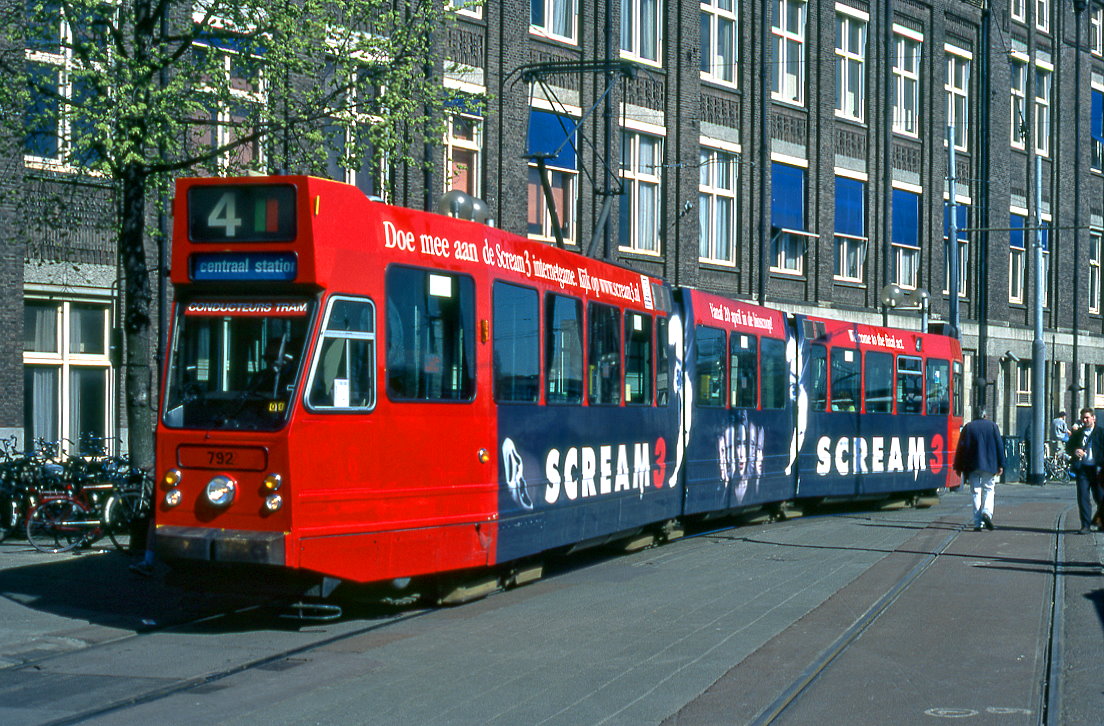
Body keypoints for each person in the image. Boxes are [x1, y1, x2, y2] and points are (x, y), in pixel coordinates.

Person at [953, 407, 1005, 531]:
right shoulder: (993, 426)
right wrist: (1001, 464)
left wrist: (958, 466)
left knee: (976, 492)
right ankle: (986, 512)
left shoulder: (968, 427)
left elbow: (961, 448)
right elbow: (999, 446)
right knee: (989, 489)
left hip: (973, 466)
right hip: (990, 465)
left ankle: (977, 523)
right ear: (985, 415)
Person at [1066, 407, 1104, 534]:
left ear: (1094, 418)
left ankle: (1101, 523)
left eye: (1087, 417)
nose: (1085, 420)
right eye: (1083, 418)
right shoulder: (1078, 433)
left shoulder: (1101, 432)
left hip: (1098, 470)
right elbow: (1069, 447)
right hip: (1083, 470)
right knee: (1083, 497)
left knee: (1100, 497)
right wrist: (1075, 451)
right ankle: (1085, 525)